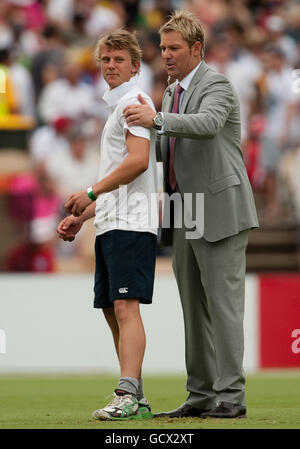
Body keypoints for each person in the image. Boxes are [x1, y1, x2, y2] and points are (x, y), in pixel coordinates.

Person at [124, 10, 259, 419]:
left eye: (174, 48)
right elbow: (168, 152)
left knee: (223, 306)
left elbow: (208, 123)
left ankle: (231, 396)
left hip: (218, 208)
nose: (165, 54)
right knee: (193, 307)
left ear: (196, 49)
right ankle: (200, 394)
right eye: (162, 47)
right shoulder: (171, 91)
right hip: (185, 209)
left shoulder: (216, 84)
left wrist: (157, 119)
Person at [57, 29, 158, 420]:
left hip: (133, 223)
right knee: (113, 310)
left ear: (135, 66)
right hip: (114, 221)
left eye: (119, 60)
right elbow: (123, 176)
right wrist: (83, 216)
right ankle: (138, 395)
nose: (111, 65)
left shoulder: (134, 101)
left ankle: (127, 394)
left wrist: (90, 193)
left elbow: (138, 162)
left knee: (125, 306)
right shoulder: (119, 107)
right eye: (106, 59)